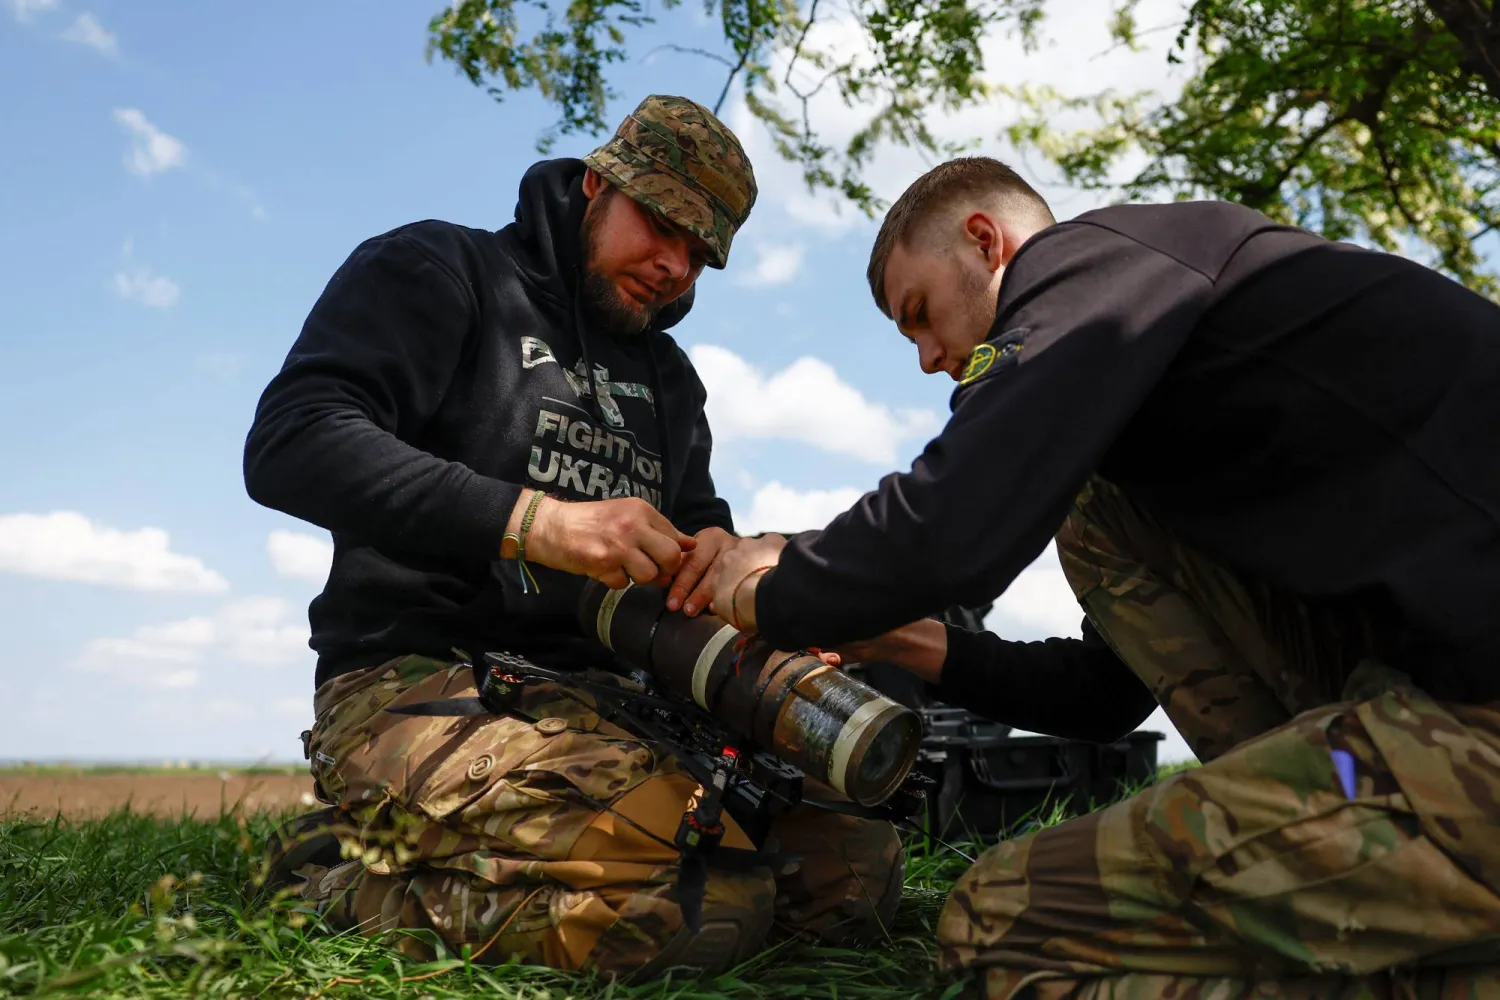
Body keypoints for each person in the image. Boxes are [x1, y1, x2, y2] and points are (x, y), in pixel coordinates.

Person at [704, 156, 1500, 998]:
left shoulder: (1095, 263)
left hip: (1472, 719)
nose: (931, 359)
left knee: (1000, 926)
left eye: (922, 316)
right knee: (1093, 512)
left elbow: (953, 527)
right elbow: (1106, 692)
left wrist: (773, 588)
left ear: (986, 241)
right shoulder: (1173, 396)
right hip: (1426, 695)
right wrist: (899, 636)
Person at [240, 94, 902, 980]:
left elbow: (697, 529)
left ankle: (517, 848)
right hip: (419, 675)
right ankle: (335, 874)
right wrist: (536, 523)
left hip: (611, 698)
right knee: (681, 908)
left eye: (700, 254)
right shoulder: (442, 270)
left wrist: (727, 561)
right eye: (661, 225)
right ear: (598, 182)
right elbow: (292, 440)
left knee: (851, 879)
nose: (675, 266)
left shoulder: (669, 380)